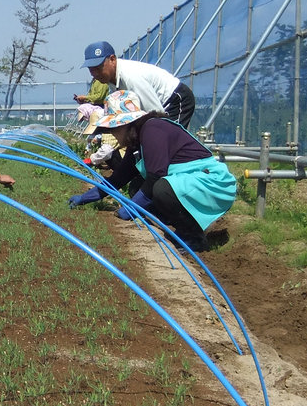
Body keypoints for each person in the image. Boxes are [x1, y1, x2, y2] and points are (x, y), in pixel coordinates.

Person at [68, 90, 236, 252]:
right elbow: (118, 178)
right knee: (137, 186)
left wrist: (130, 209)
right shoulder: (137, 140)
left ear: (126, 124)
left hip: (211, 183)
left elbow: (156, 177)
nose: (112, 134)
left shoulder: (152, 129)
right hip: (191, 183)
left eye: (113, 128)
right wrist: (85, 198)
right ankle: (176, 224)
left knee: (161, 189)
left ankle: (194, 236)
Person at [81, 41, 196, 127]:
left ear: (112, 59)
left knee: (170, 139)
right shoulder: (111, 78)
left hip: (175, 98)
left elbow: (154, 113)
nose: (95, 73)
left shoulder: (131, 77)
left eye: (99, 68)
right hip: (160, 106)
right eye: (91, 69)